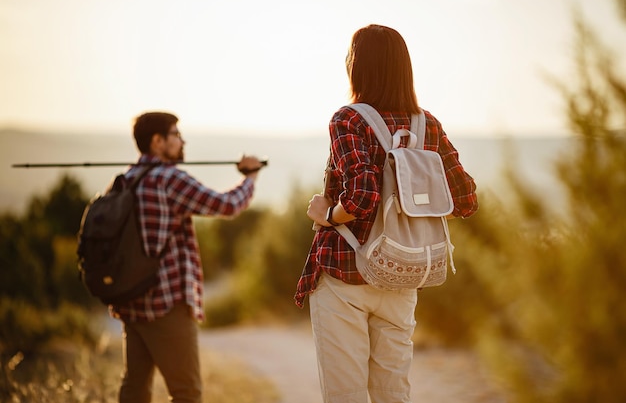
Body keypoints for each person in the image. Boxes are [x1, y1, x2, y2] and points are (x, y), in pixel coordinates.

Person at [294, 25, 479, 403]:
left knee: (345, 394)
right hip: (402, 272)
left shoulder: (348, 119)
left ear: (356, 66)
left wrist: (326, 213)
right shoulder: (427, 125)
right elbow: (466, 200)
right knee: (393, 393)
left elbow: (362, 195)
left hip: (345, 272)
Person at [110, 111, 264, 403]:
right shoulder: (170, 179)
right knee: (187, 392)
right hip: (166, 305)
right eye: (176, 135)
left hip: (131, 303)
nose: (182, 141)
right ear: (157, 142)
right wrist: (251, 177)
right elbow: (227, 205)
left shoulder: (126, 179)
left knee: (135, 389)